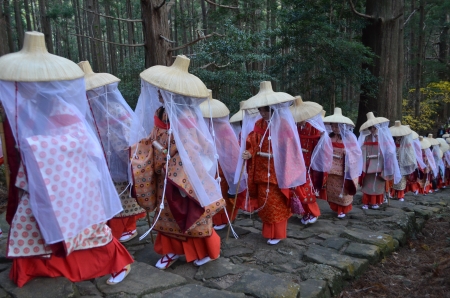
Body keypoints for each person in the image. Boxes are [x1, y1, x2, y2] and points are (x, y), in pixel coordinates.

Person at [0, 32, 132, 287]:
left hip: (71, 178)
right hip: (36, 177)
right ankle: (34, 268)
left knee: (85, 226)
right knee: (29, 222)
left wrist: (35, 147)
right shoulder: (25, 108)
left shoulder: (62, 108)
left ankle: (116, 262)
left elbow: (82, 142)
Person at [130, 55, 225, 269]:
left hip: (184, 177)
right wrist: (144, 149)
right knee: (166, 215)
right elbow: (154, 138)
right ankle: (169, 251)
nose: (157, 93)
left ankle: (204, 250)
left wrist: (172, 165)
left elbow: (198, 149)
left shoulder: (187, 118)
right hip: (164, 174)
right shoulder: (161, 114)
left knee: (191, 214)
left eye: (161, 91)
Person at [79, 61, 145, 242]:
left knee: (123, 193)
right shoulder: (89, 111)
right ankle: (116, 226)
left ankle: (127, 227)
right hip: (102, 159)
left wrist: (128, 157)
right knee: (109, 194)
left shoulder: (113, 108)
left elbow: (125, 133)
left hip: (118, 156)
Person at [241, 81, 306, 245]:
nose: (263, 112)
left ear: (274, 108)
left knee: (276, 203)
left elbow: (290, 148)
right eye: (261, 109)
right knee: (265, 203)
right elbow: (254, 143)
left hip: (278, 173)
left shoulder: (283, 125)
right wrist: (250, 152)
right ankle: (269, 232)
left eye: (266, 109)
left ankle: (278, 233)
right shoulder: (258, 124)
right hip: (261, 171)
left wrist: (279, 156)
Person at [199, 91, 246, 230]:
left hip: (222, 167)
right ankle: (213, 217)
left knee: (223, 192)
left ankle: (224, 218)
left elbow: (231, 149)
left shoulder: (225, 129)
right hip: (207, 166)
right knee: (209, 192)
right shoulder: (201, 129)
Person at [290, 96, 333, 224]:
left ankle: (313, 212)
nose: (300, 120)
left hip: (309, 162)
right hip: (296, 161)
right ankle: (303, 211)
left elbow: (321, 143)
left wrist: (320, 140)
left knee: (306, 188)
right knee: (296, 188)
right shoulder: (295, 127)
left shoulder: (314, 127)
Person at [323, 108, 362, 218]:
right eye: (333, 126)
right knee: (332, 189)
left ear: (343, 126)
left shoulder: (349, 137)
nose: (335, 128)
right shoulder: (329, 137)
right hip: (331, 167)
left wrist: (348, 152)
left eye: (337, 126)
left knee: (342, 188)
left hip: (343, 168)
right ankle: (335, 207)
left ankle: (342, 210)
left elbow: (357, 152)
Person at [358, 112, 401, 209]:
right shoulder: (366, 138)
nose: (373, 129)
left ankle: (375, 202)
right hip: (368, 164)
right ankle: (366, 202)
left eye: (374, 127)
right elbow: (362, 149)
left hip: (379, 163)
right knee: (367, 184)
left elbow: (389, 149)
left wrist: (389, 152)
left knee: (378, 184)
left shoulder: (383, 138)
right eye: (371, 128)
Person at [388, 121, 416, 201]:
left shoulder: (406, 141)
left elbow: (409, 152)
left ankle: (400, 195)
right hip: (394, 161)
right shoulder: (392, 140)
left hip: (402, 162)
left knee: (401, 178)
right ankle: (392, 193)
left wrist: (407, 161)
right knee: (392, 177)